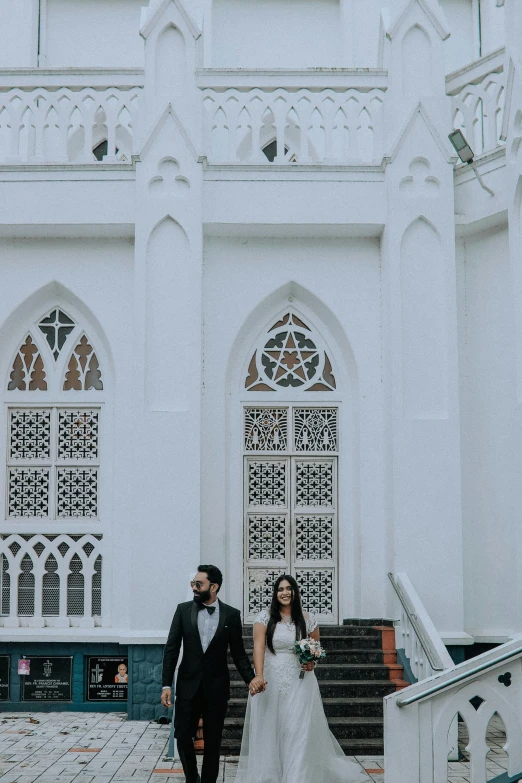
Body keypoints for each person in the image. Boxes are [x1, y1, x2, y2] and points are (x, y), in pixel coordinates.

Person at [235, 574, 369, 783]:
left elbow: (315, 648)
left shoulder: (308, 620)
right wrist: (258, 675)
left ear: (296, 592)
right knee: (271, 729)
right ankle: (270, 776)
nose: (285, 593)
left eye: (289, 588)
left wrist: (312, 663)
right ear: (275, 593)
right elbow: (259, 647)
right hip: (271, 680)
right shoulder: (264, 618)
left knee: (297, 730)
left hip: (301, 682)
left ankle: (296, 777)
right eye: (280, 589)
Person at [161, 565, 266, 783]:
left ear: (214, 587)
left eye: (198, 584)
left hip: (216, 689)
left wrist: (252, 678)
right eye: (193, 584)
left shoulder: (231, 614)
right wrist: (166, 685)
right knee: (181, 736)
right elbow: (171, 649)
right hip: (187, 686)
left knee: (213, 741)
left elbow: (238, 653)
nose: (194, 588)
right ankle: (193, 779)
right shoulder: (182, 610)